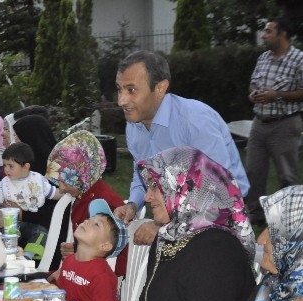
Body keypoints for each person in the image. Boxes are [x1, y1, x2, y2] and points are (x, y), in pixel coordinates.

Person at [118, 147, 256, 301]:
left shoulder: (218, 251)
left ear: (186, 188)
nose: (148, 198)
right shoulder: (170, 236)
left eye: (155, 188)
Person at [112, 51, 249, 246]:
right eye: (119, 89)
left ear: (160, 88)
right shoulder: (134, 126)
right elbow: (142, 172)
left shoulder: (195, 121)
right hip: (174, 218)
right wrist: (133, 204)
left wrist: (165, 228)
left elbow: (221, 191)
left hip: (222, 223)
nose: (121, 101)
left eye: (131, 90)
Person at [243, 17, 303, 226]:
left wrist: (276, 95)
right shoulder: (263, 58)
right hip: (259, 123)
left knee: (287, 174)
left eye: (268, 31)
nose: (263, 35)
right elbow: (252, 84)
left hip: (285, 124)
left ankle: (289, 217)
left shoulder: (299, 59)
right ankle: (256, 214)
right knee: (253, 170)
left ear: (282, 34)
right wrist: (254, 94)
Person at [48, 131, 128, 275]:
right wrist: (76, 249)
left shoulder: (106, 206)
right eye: (57, 181)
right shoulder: (82, 196)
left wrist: (81, 250)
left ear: (83, 176)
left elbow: (118, 259)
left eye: (65, 181)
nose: (61, 188)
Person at [49, 199, 127, 301]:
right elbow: (60, 296)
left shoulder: (101, 276)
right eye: (90, 218)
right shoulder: (69, 261)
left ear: (105, 246)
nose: (87, 221)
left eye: (96, 225)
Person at [0, 142, 62, 246]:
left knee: (42, 234)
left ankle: (29, 256)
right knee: (6, 236)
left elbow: (54, 194)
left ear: (25, 167)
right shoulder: (3, 185)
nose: (6, 169)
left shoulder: (38, 180)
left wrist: (67, 192)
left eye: (11, 166)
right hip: (9, 224)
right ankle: (8, 252)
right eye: (5, 165)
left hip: (31, 225)